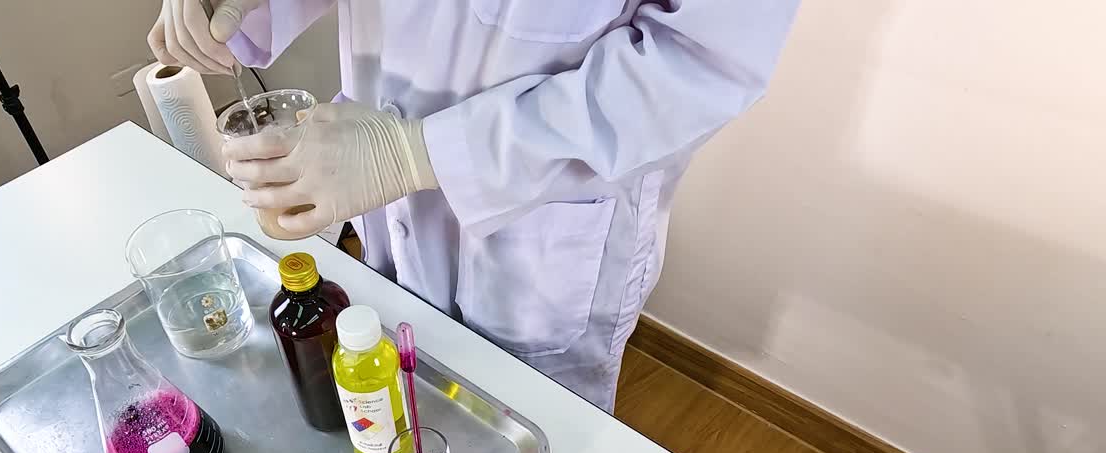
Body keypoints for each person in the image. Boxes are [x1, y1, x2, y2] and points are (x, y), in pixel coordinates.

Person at [149, 0, 799, 411]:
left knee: (535, 450)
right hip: (381, 189)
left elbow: (696, 72)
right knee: (406, 394)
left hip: (542, 231)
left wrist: (419, 155)